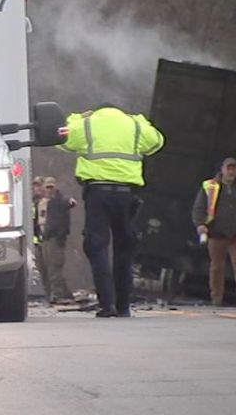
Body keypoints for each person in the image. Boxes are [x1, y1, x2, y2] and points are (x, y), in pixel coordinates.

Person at [60, 105, 164, 318]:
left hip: (98, 193)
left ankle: (107, 305)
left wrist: (77, 116)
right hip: (128, 195)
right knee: (125, 248)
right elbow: (157, 141)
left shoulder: (86, 124)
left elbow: (62, 136)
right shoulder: (135, 124)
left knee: (97, 246)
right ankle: (124, 306)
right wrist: (140, 119)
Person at [191, 157, 236, 307]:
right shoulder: (209, 186)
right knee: (217, 266)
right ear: (222, 169)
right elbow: (199, 208)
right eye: (228, 168)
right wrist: (200, 224)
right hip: (217, 234)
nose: (231, 171)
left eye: (234, 168)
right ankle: (216, 298)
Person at [39, 177, 77, 304]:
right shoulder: (40, 202)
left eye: (51, 187)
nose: (49, 189)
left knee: (55, 268)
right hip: (43, 238)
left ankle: (58, 295)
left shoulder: (59, 200)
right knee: (44, 269)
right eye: (47, 187)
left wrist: (71, 201)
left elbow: (69, 202)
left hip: (55, 238)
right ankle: (51, 295)